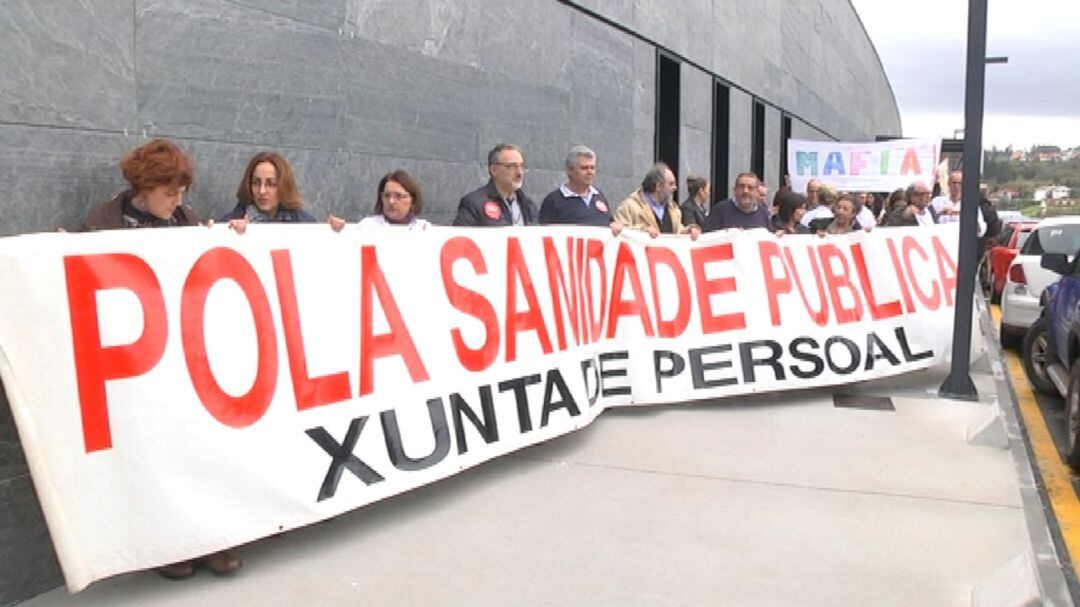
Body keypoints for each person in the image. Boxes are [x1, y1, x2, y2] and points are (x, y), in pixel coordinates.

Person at [78, 139, 241, 580]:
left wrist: (232, 242)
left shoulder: (186, 221)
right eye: (170, 192)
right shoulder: (101, 225)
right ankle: (167, 545)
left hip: (186, 358)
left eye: (181, 192)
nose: (178, 200)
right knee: (157, 456)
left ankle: (211, 539)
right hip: (136, 363)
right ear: (145, 186)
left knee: (200, 449)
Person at [221, 152, 315, 233]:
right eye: (255, 183)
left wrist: (328, 236)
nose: (262, 191)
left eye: (271, 184)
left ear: (284, 186)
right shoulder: (229, 223)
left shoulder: (306, 224)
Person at [538, 146, 621, 235]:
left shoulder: (599, 196)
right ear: (570, 170)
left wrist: (616, 226)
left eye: (592, 168)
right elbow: (544, 235)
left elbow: (610, 222)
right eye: (584, 168)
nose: (590, 172)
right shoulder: (553, 201)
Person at [453, 143, 537, 226]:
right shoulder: (474, 204)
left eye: (522, 166)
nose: (519, 172)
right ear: (494, 170)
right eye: (511, 166)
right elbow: (461, 237)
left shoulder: (528, 205)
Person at [614, 162, 700, 239]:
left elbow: (677, 232)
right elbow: (619, 233)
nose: (675, 188)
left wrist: (688, 231)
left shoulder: (673, 209)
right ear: (658, 186)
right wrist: (641, 231)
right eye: (671, 184)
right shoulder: (629, 207)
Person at [328, 170, 431, 230]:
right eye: (386, 196)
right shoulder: (368, 226)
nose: (391, 201)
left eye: (398, 196)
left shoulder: (424, 228)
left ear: (412, 200)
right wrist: (339, 231)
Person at [703, 172, 771, 231]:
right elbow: (707, 237)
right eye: (741, 186)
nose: (745, 191)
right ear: (734, 189)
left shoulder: (763, 213)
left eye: (750, 187)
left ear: (757, 192)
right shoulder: (720, 210)